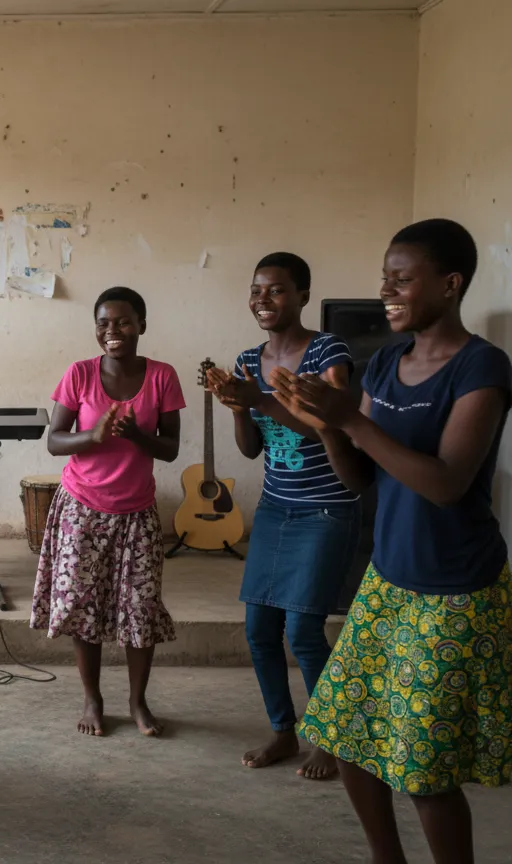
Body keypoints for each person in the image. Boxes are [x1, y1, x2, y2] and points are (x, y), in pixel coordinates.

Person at [272, 219, 512, 864]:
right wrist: (326, 425)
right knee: (347, 738)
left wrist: (349, 419)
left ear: (451, 284)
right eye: (385, 278)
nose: (386, 290)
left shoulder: (482, 367)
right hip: (389, 579)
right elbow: (361, 478)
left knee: (422, 772)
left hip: (455, 589)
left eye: (402, 279)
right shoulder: (384, 363)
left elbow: (447, 483)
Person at [206, 252, 360, 781]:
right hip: (275, 507)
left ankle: (330, 738)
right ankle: (282, 730)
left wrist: (262, 399)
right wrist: (238, 407)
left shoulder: (328, 351)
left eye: (275, 290)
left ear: (303, 296)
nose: (263, 299)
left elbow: (331, 426)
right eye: (256, 290)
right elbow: (252, 448)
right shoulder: (249, 360)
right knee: (258, 629)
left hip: (325, 508)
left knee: (304, 630)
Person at [31, 286, 183, 737]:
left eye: (122, 322)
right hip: (82, 508)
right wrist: (92, 436)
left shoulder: (162, 376)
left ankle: (137, 701)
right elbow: (54, 440)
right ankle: (92, 699)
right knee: (83, 607)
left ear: (141, 325)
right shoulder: (79, 373)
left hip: (137, 512)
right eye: (103, 323)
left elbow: (171, 449)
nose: (112, 331)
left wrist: (135, 434)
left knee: (141, 609)